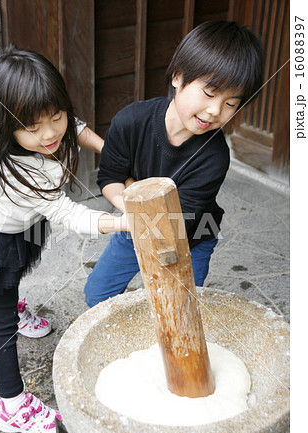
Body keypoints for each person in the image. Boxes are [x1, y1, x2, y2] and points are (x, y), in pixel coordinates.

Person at [0, 47, 126, 433]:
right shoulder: (17, 173)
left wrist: (109, 149)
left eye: (56, 116)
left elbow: (78, 125)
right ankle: (11, 406)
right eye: (33, 126)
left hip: (16, 220)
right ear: (4, 125)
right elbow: (70, 215)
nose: (50, 133)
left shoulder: (43, 137)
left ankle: (13, 306)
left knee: (11, 284)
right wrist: (123, 223)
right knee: (0, 321)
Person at [84, 20, 263, 307]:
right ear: (178, 76)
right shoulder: (130, 121)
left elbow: (177, 217)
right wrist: (131, 213)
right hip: (134, 224)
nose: (215, 110)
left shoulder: (214, 155)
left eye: (231, 103)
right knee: (97, 295)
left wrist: (135, 192)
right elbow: (110, 179)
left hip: (191, 236)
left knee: (181, 306)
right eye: (209, 92)